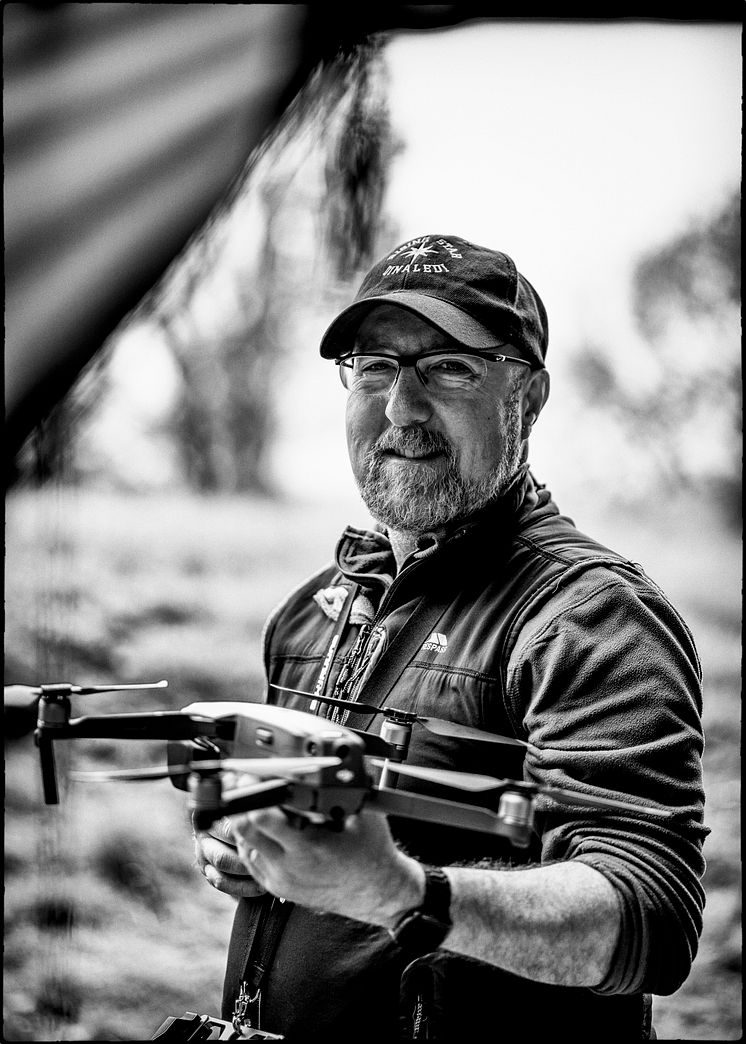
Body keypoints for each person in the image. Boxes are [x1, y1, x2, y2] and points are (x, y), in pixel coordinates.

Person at [194, 234, 707, 1041]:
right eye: (375, 368)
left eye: (449, 368)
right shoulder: (312, 611)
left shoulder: (589, 614)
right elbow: (319, 846)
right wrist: (255, 852)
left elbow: (651, 914)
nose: (401, 408)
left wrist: (401, 892)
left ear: (528, 399)